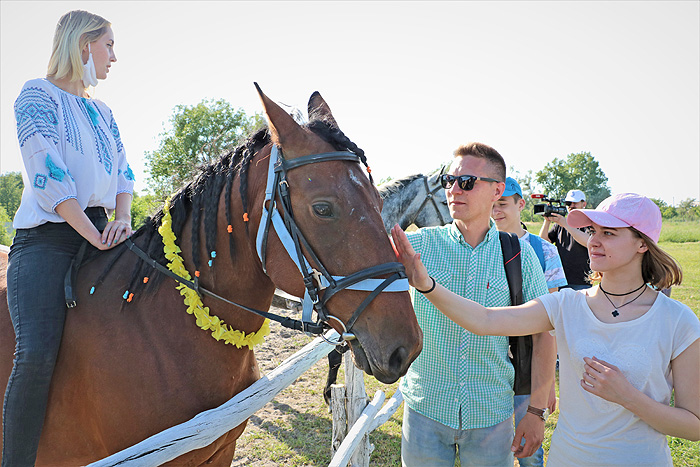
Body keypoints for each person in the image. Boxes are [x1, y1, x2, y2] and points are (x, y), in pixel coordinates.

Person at [392, 192, 700, 466]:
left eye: (609, 233)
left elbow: (693, 426)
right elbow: (484, 320)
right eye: (593, 231)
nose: (593, 240)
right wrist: (426, 285)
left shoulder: (678, 321)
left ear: (643, 243)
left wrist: (627, 396)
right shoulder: (566, 305)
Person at [3, 10, 134, 466]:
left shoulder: (103, 110)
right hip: (49, 239)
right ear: (83, 46)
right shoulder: (36, 95)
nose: (115, 56)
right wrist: (95, 235)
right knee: (36, 354)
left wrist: (121, 219)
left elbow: (123, 172)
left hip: (104, 231)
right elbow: (48, 179)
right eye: (109, 45)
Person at [398, 143, 555, 466]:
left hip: (491, 413)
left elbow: (544, 333)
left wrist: (536, 412)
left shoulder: (519, 255)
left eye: (467, 182)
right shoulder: (417, 246)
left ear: (498, 190)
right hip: (425, 407)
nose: (454, 190)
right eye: (448, 181)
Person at [492, 177, 566, 467]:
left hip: (528, 359)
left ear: (520, 204)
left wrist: (546, 383)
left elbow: (551, 320)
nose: (496, 211)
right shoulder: (480, 247)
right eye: (492, 204)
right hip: (491, 357)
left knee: (529, 448)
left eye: (503, 204)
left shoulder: (543, 249)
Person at [539, 189, 591, 290]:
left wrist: (565, 224)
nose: (571, 206)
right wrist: (547, 221)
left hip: (581, 281)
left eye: (575, 203)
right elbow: (544, 241)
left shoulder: (588, 224)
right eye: (568, 203)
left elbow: (588, 242)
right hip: (560, 280)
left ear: (583, 204)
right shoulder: (561, 224)